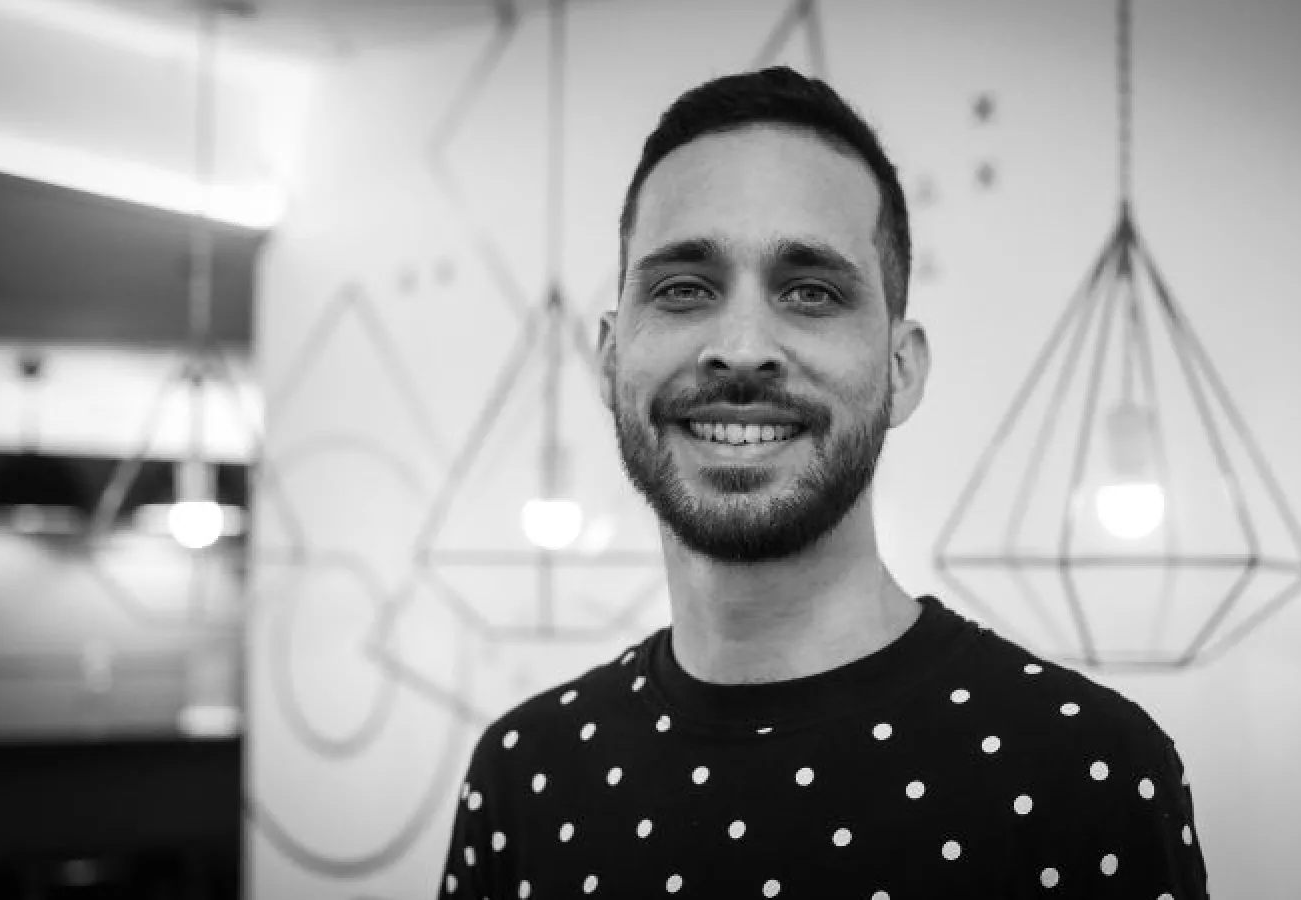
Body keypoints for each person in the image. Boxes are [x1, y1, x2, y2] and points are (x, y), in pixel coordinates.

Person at [439, 66, 1209, 899]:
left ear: (902, 368)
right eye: (683, 289)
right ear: (609, 357)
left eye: (810, 292)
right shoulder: (523, 778)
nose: (741, 348)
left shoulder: (1088, 777)